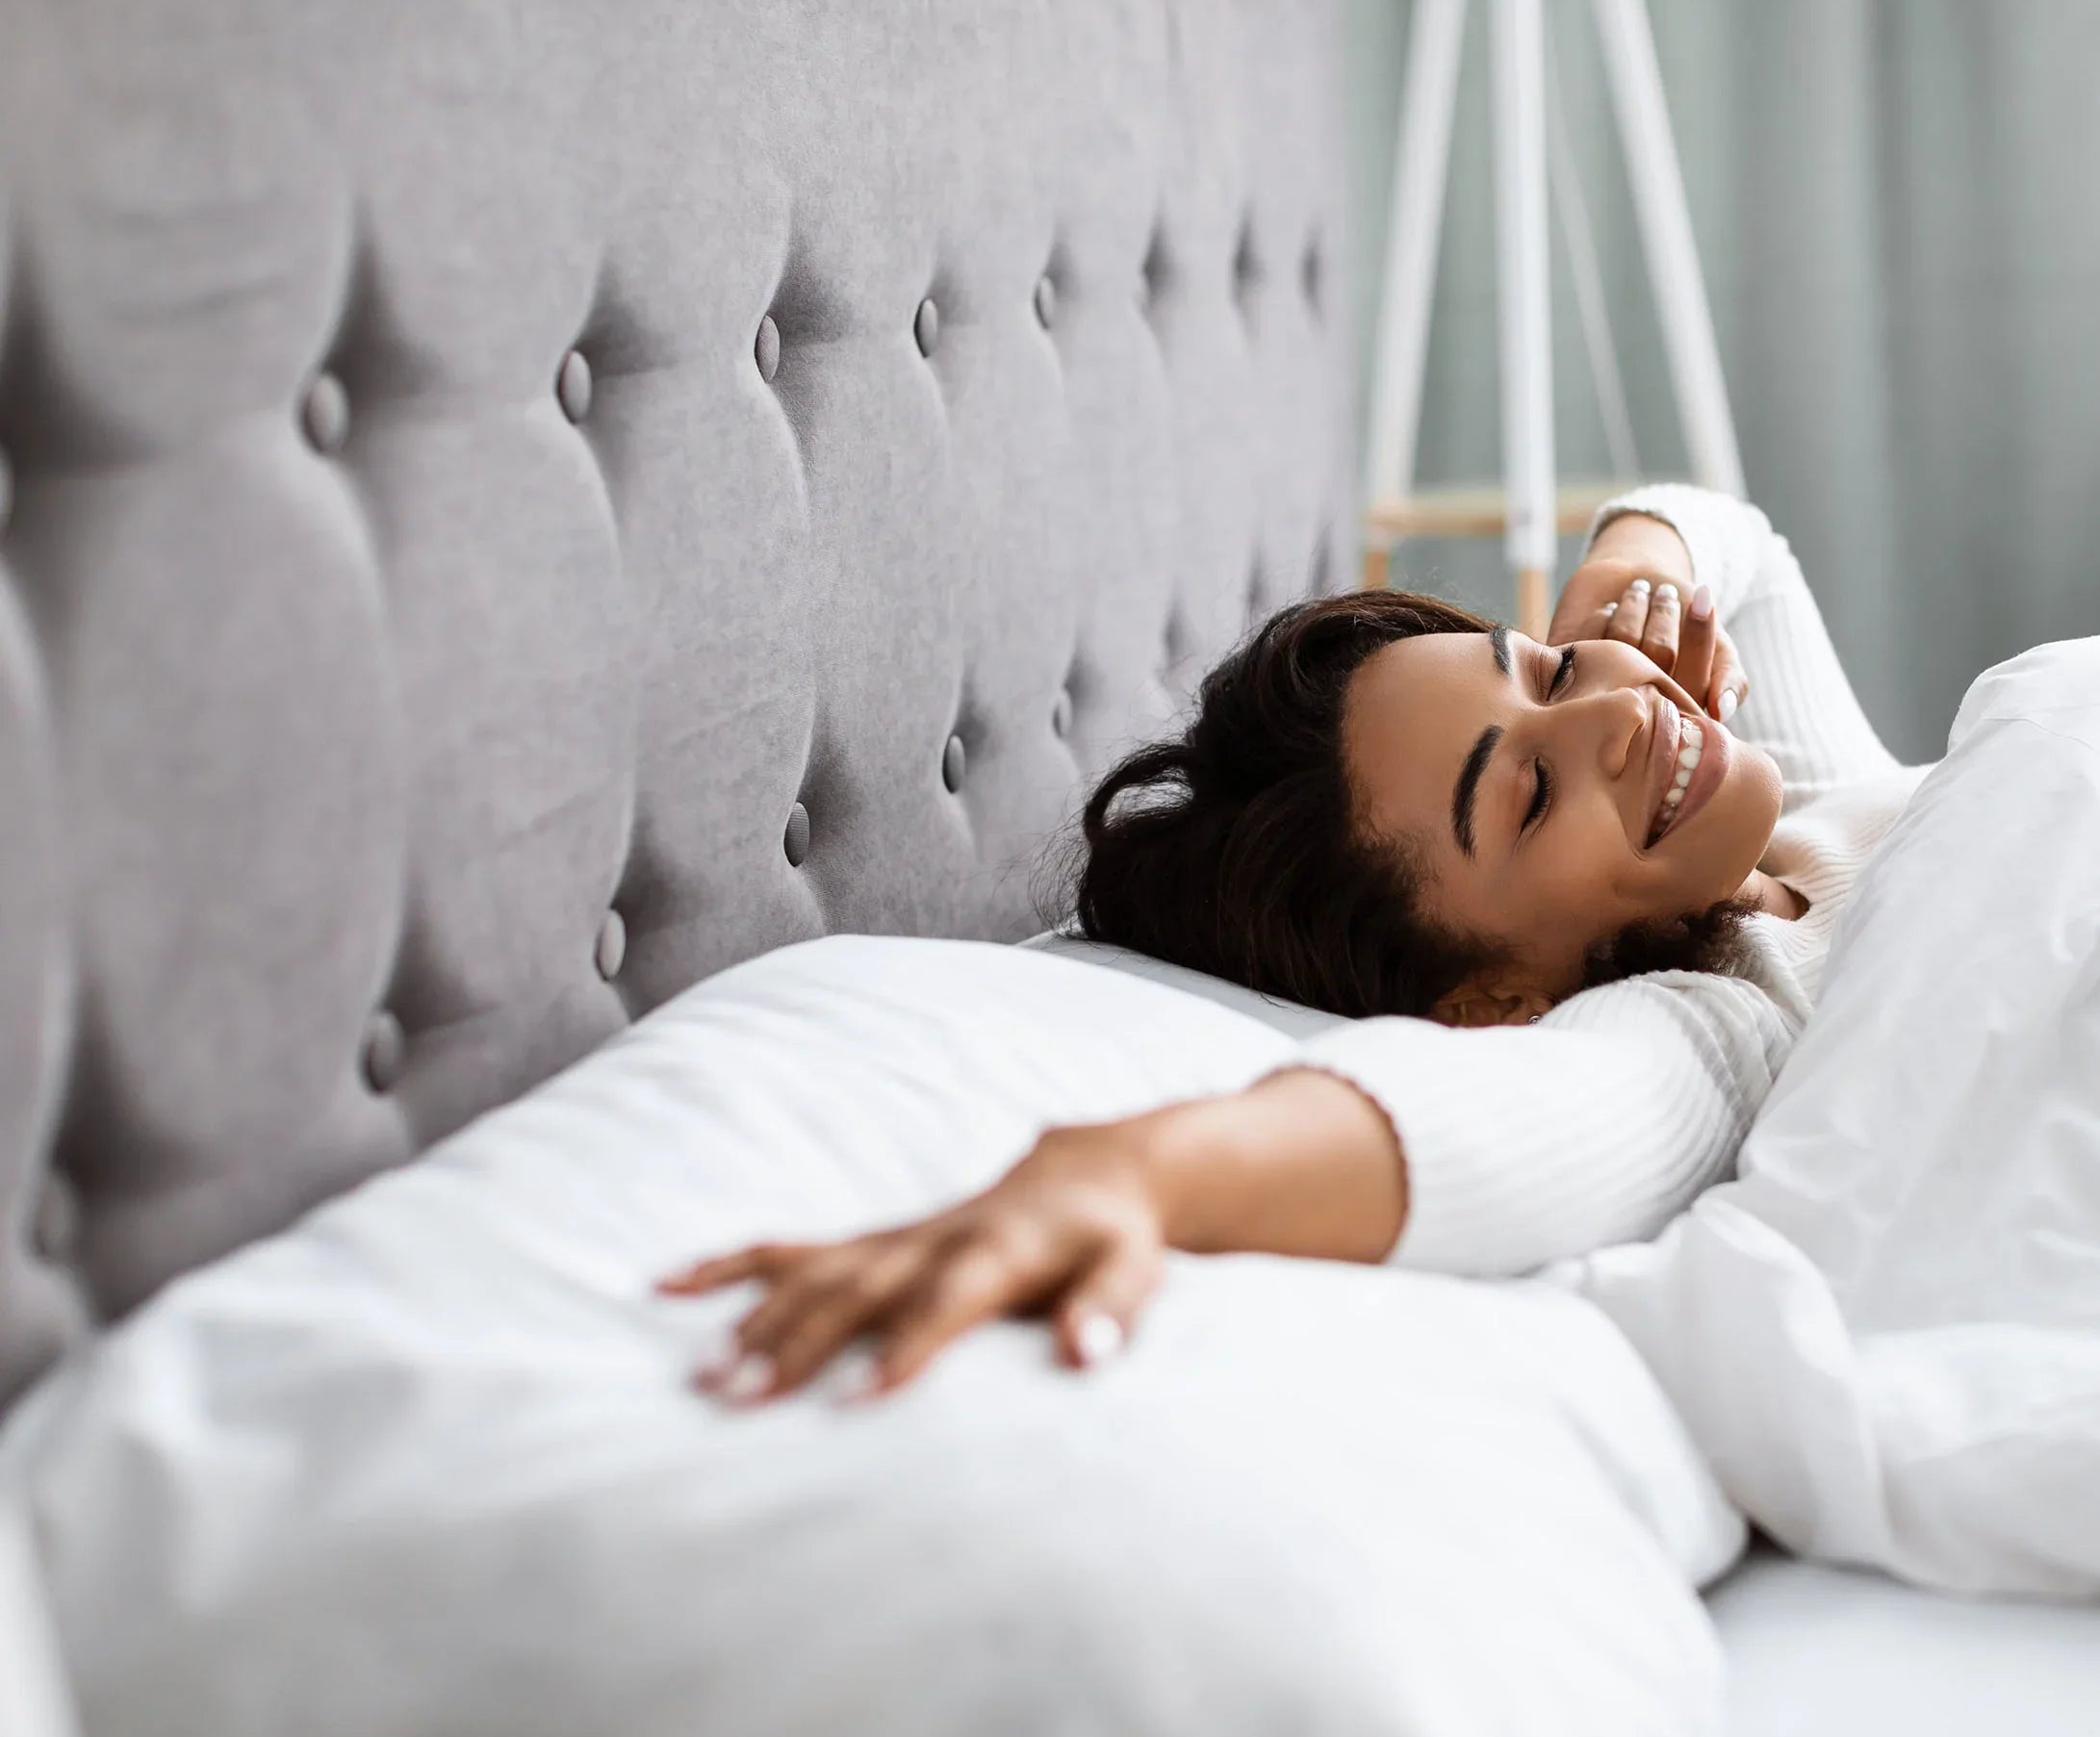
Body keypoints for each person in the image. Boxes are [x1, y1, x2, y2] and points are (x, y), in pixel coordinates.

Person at [663, 487, 1921, 1402]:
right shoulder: (1726, 1030)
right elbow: (1490, 1126)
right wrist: (1132, 1171)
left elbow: (1744, 544)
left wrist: (1623, 580)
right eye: (1529, 795)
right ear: (1496, 999)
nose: (1613, 712)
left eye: (1538, 668)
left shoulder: (1807, 809)